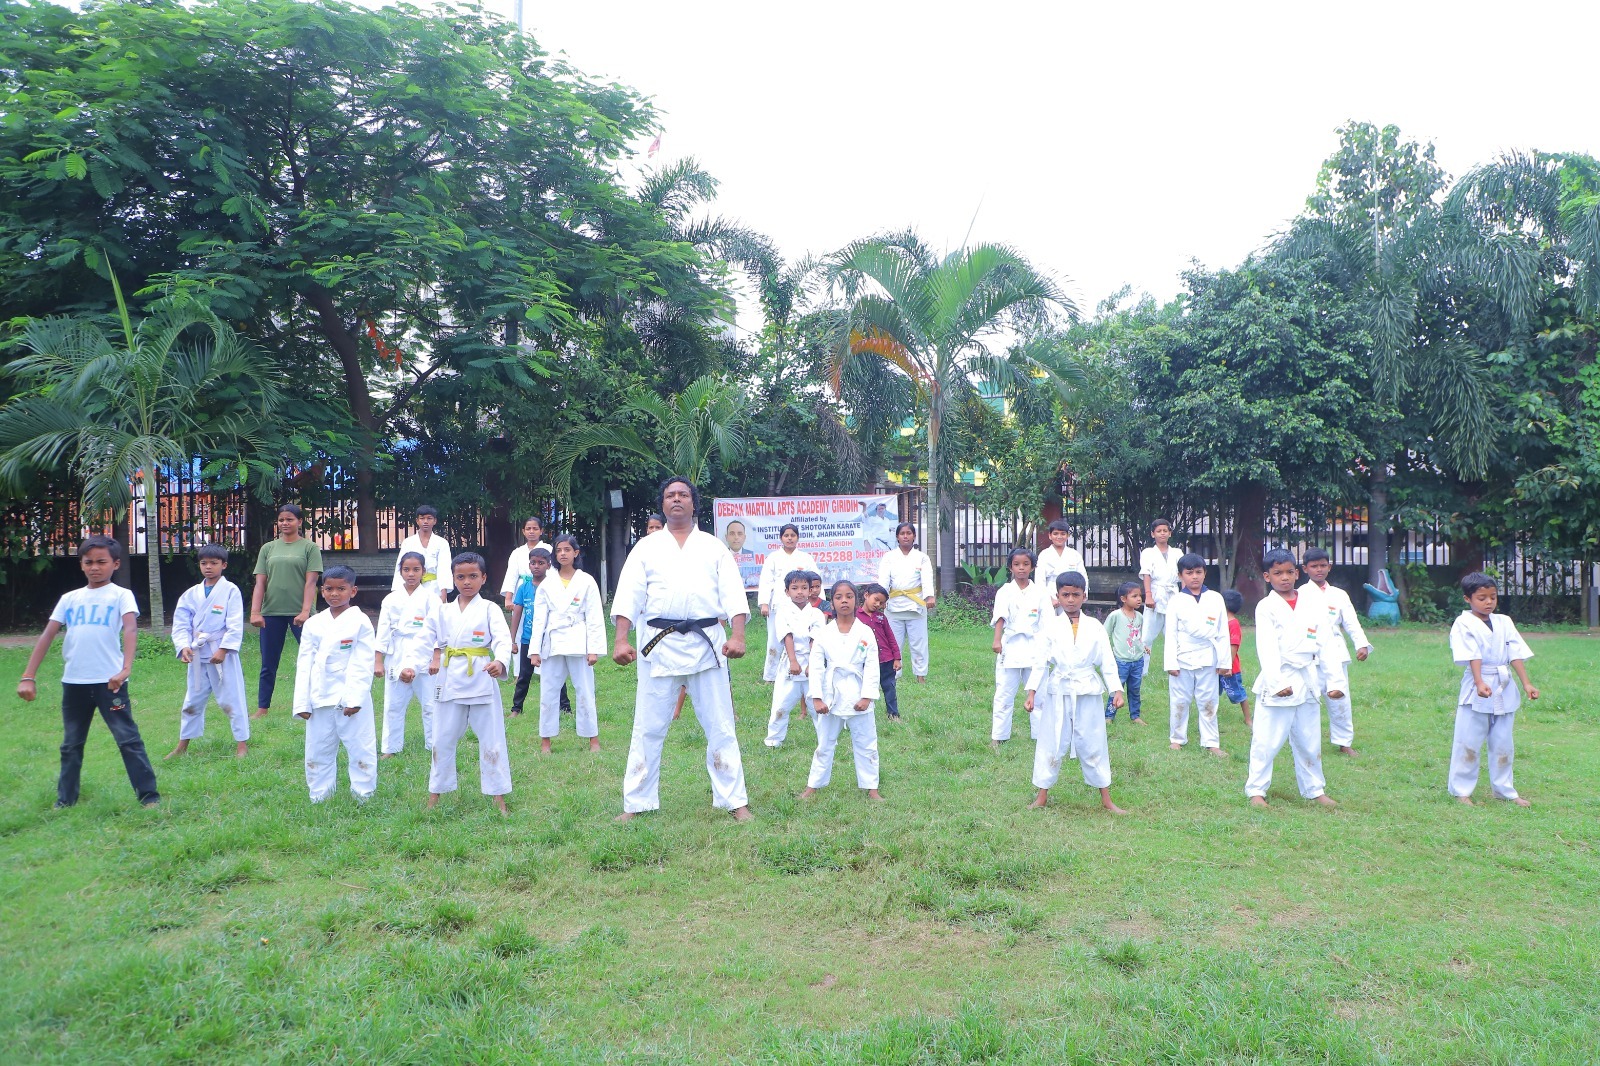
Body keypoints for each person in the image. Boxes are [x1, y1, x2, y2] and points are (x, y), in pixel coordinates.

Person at [611, 476, 753, 822]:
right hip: (659, 644)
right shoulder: (646, 547)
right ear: (662, 504)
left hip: (707, 643)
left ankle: (735, 801)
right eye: (670, 495)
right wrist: (620, 639)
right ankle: (636, 802)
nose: (676, 499)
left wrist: (737, 636)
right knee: (647, 726)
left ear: (693, 502)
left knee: (720, 724)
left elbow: (733, 593)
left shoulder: (713, 547)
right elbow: (629, 594)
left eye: (683, 495)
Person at [16, 535, 159, 809]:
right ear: (81, 564)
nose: (95, 567)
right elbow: (47, 635)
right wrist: (28, 676)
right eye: (89, 562)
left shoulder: (121, 595)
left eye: (101, 562)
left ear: (115, 564)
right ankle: (65, 800)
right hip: (74, 683)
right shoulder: (70, 599)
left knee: (128, 739)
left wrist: (125, 669)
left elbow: (130, 629)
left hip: (110, 682)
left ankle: (149, 796)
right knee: (71, 744)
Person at [1024, 572, 1126, 813]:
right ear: (1057, 596)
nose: (1070, 600)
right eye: (1066, 595)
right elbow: (1040, 662)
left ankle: (1106, 799)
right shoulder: (1050, 626)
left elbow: (1107, 660)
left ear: (1084, 596)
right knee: (1051, 741)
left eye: (1075, 595)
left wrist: (1116, 690)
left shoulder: (1095, 626)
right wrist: (1031, 692)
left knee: (1094, 741)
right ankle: (1041, 796)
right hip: (1059, 690)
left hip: (1087, 689)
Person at [423, 553, 513, 815]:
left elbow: (503, 639)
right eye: (460, 577)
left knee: (492, 739)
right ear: (453, 579)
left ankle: (498, 796)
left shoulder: (490, 609)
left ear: (483, 578)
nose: (467, 582)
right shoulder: (442, 610)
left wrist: (500, 661)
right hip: (450, 677)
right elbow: (423, 639)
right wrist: (410, 664)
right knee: (442, 738)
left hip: (481, 677)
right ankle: (435, 794)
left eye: (473, 576)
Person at [1247, 549, 1335, 808]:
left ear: (1297, 573)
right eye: (1277, 573)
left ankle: (1314, 789)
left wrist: (1335, 681)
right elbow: (1266, 647)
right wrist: (1276, 683)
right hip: (1280, 675)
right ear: (1267, 576)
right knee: (1267, 739)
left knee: (1309, 739)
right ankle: (1256, 790)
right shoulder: (1266, 607)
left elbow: (1326, 642)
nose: (1284, 578)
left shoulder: (1312, 602)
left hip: (1307, 677)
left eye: (1289, 572)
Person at [1448, 572, 1539, 807]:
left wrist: (1526, 683)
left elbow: (1514, 653)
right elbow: (1472, 654)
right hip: (1477, 684)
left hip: (1503, 684)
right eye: (1482, 598)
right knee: (1468, 740)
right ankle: (1461, 791)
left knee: (1503, 742)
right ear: (1467, 599)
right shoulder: (1463, 623)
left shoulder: (1504, 622)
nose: (1488, 602)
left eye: (1493, 597)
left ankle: (1505, 791)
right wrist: (1479, 682)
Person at [292, 566, 377, 803]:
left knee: (361, 747)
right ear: (322, 591)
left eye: (341, 589)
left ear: (353, 591)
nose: (335, 594)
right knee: (318, 749)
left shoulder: (360, 622)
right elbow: (304, 663)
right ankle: (319, 796)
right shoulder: (313, 623)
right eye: (329, 589)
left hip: (350, 694)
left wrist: (355, 699)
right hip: (319, 694)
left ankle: (363, 795)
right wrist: (302, 703)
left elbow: (363, 662)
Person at [801, 580, 883, 801]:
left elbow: (872, 666)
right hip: (831, 695)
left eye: (849, 596)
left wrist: (867, 696)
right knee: (824, 744)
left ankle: (872, 787)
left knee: (867, 743)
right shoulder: (824, 633)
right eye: (838, 597)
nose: (844, 601)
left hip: (858, 692)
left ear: (857, 600)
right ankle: (813, 785)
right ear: (832, 603)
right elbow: (816, 666)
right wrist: (817, 698)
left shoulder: (865, 632)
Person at [167, 543, 249, 759]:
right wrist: (184, 646)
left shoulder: (230, 591)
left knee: (232, 698)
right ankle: (182, 745)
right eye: (204, 563)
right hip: (197, 654)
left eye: (214, 563)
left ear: (224, 565)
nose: (208, 567)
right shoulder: (190, 594)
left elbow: (235, 624)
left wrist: (223, 649)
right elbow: (181, 624)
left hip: (221, 652)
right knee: (192, 700)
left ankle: (242, 744)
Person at [528, 534, 605, 754]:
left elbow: (594, 616)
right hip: (553, 642)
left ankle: (593, 739)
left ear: (575, 553)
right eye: (559, 550)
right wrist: (534, 650)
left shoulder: (586, 581)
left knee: (585, 691)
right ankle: (546, 740)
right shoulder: (547, 584)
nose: (563, 554)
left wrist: (594, 649)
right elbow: (539, 619)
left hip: (579, 640)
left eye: (567, 550)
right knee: (548, 692)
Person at [250, 503, 323, 719]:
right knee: (268, 663)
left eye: (289, 519)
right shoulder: (268, 548)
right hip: (271, 613)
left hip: (301, 614)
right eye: (281, 520)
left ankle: (315, 703)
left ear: (299, 521)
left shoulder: (310, 548)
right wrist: (255, 612)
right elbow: (260, 583)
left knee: (313, 660)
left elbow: (311, 583)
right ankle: (262, 708)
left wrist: (305, 611)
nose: (285, 523)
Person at [1300, 548, 1371, 756]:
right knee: (1308, 699)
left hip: (1335, 651)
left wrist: (1361, 644)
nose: (1319, 570)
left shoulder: (1339, 595)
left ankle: (1344, 742)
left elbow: (1351, 622)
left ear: (1329, 567)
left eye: (1323, 565)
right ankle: (1307, 742)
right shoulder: (1300, 594)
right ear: (1305, 569)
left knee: (1340, 699)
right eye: (1314, 566)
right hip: (1310, 652)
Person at [374, 551, 440, 757]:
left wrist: (437, 657)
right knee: (393, 703)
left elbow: (439, 629)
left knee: (430, 703)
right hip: (398, 650)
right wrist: (378, 660)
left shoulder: (432, 598)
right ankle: (390, 748)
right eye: (406, 569)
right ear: (400, 571)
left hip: (425, 650)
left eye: (416, 569)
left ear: (424, 571)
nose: (411, 574)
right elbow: (383, 629)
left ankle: (434, 745)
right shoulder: (391, 599)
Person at [1164, 552, 1230, 756]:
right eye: (1189, 572)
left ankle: (1211, 742)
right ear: (1180, 575)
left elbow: (1222, 631)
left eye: (1198, 572)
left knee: (1209, 701)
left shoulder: (1215, 598)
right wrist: (1171, 662)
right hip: (1182, 656)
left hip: (1208, 656)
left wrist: (1224, 661)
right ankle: (1177, 738)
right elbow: (1171, 633)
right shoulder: (1176, 600)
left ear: (1205, 573)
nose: (1194, 577)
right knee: (1179, 700)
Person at [990, 548, 1053, 749]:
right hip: (1011, 645)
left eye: (1026, 564)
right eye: (1017, 564)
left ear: (1032, 567)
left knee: (1040, 694)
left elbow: (1048, 622)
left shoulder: (1041, 592)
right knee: (1004, 692)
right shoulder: (1005, 591)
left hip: (1035, 645)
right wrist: (997, 640)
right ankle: (998, 736)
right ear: (1010, 567)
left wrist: (1048, 646)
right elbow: (1000, 617)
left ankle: (1040, 736)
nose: (1021, 568)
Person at [766, 570, 825, 747]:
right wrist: (793, 661)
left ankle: (826, 739)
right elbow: (787, 636)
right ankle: (774, 739)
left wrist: (812, 664)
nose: (800, 592)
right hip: (790, 662)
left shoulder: (816, 614)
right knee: (781, 704)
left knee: (817, 704)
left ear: (810, 590)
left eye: (804, 588)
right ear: (787, 591)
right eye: (795, 588)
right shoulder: (783, 613)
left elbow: (815, 640)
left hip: (812, 661)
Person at [757, 523, 818, 683]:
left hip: (802, 605)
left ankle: (805, 668)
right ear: (781, 538)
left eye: (793, 535)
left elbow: (815, 580)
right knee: (775, 640)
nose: (789, 538)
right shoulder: (773, 558)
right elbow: (766, 581)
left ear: (797, 538)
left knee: (802, 638)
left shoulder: (805, 558)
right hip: (778, 604)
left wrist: (818, 602)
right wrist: (764, 603)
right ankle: (771, 675)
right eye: (786, 535)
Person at [877, 522, 936, 682]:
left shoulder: (922, 557)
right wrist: (880, 598)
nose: (905, 536)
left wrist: (929, 596)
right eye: (902, 533)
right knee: (893, 643)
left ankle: (920, 675)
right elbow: (883, 579)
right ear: (897, 537)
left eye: (908, 533)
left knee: (919, 643)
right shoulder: (889, 557)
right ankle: (894, 675)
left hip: (916, 604)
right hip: (894, 604)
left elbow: (927, 578)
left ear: (914, 536)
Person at [509, 547, 553, 717]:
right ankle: (516, 709)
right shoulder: (524, 588)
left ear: (548, 565)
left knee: (554, 674)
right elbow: (517, 614)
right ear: (529, 565)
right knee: (524, 675)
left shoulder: (553, 586)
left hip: (548, 639)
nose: (536, 566)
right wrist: (512, 640)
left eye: (541, 563)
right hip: (527, 639)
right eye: (533, 563)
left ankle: (565, 708)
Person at [1102, 581, 1149, 724]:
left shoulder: (1139, 617)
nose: (1139, 599)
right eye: (1134, 596)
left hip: (1137, 660)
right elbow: (1104, 634)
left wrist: (1143, 646)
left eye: (1140, 596)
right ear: (1123, 599)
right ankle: (1109, 716)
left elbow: (1137, 636)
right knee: (1117, 688)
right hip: (1121, 661)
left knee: (1135, 689)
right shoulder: (1115, 616)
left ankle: (1135, 716)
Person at [1138, 518, 1180, 669]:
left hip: (1173, 594)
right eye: (1158, 531)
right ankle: (1141, 669)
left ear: (1170, 533)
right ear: (1152, 534)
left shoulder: (1177, 553)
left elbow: (1183, 574)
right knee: (1147, 633)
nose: (1162, 533)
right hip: (1156, 593)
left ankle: (1173, 665)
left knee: (1174, 633)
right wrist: (1148, 595)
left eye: (1165, 531)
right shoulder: (1148, 553)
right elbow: (1146, 574)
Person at [857, 583, 903, 721]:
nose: (878, 604)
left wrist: (897, 658)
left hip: (886, 660)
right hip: (866, 661)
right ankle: (862, 713)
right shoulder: (855, 617)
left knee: (890, 687)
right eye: (876, 599)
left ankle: (893, 714)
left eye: (882, 603)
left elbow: (891, 638)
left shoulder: (882, 617)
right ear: (866, 595)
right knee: (865, 687)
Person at [391, 504, 452, 603]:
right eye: (422, 518)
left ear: (435, 521)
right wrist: (397, 591)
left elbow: (444, 569)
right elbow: (400, 567)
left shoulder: (441, 543)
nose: (425, 521)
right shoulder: (408, 542)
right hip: (411, 586)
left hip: (434, 587)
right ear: (417, 521)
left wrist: (443, 594)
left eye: (429, 518)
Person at [500, 515, 553, 609]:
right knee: (521, 614)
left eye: (535, 529)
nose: (531, 531)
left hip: (544, 587)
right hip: (522, 589)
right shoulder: (517, 552)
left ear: (541, 531)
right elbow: (511, 575)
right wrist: (508, 599)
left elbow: (553, 573)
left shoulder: (549, 549)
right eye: (528, 529)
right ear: (523, 531)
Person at [1219, 589, 1253, 729]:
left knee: (1238, 693)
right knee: (1211, 693)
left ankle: (1248, 719)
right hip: (1216, 666)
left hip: (1229, 668)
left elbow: (1234, 646)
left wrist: (1228, 665)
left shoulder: (1233, 624)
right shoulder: (1220, 622)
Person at [1035, 519, 1089, 600]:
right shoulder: (1044, 555)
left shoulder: (1075, 555)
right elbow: (1040, 580)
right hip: (1050, 596)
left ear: (1067, 535)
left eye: (1063, 534)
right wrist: (1048, 600)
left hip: (1071, 596)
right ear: (1050, 536)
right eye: (1055, 534)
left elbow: (1083, 577)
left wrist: (1081, 596)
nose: (1059, 537)